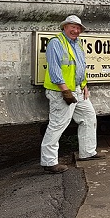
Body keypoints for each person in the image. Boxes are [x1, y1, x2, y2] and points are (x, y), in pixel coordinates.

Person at [41, 15, 100, 174]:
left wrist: (84, 84)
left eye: (78, 28)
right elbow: (54, 69)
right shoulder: (56, 43)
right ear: (65, 27)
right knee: (58, 124)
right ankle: (49, 161)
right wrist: (65, 90)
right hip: (62, 91)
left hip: (78, 90)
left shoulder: (77, 44)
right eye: (72, 27)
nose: (76, 30)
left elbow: (80, 67)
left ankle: (87, 152)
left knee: (88, 117)